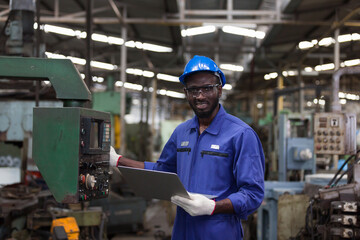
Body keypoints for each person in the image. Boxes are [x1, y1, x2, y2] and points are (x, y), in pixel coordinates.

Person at [110, 55, 265, 239]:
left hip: (219, 233)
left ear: (220, 89)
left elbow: (253, 194)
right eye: (193, 90)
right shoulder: (182, 132)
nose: (200, 96)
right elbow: (162, 171)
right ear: (186, 92)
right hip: (182, 232)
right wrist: (118, 160)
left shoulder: (241, 134)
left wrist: (213, 207)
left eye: (207, 88)